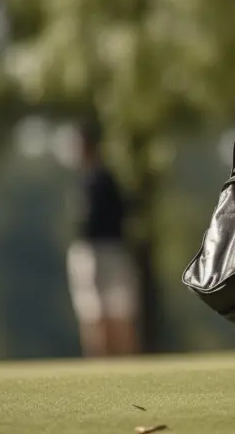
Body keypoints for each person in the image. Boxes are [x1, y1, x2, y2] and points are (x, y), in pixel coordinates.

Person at [66, 122, 141, 357]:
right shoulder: (85, 180)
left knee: (118, 311)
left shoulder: (104, 179)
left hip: (108, 249)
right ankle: (100, 364)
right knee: (93, 313)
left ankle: (123, 363)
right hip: (92, 250)